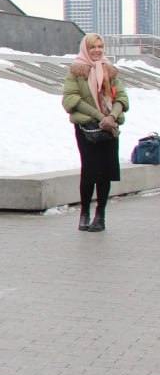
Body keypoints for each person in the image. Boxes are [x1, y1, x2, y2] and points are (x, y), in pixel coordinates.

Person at [62, 33, 129, 232]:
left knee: (105, 172)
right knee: (90, 170)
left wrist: (112, 116)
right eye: (93, 47)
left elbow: (123, 98)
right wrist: (101, 117)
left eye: (100, 46)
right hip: (87, 129)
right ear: (86, 49)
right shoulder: (76, 70)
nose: (97, 50)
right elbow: (70, 100)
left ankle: (101, 215)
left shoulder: (109, 70)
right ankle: (84, 212)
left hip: (109, 129)